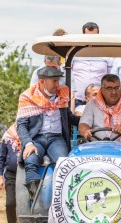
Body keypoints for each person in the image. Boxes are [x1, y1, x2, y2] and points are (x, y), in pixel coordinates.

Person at [16, 66, 79, 198]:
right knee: (30, 160)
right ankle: (35, 199)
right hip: (36, 139)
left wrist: (86, 122)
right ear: (42, 82)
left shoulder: (62, 95)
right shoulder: (27, 97)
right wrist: (28, 144)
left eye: (58, 81)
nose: (57, 84)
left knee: (64, 163)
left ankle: (63, 197)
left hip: (56, 138)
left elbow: (69, 118)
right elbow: (21, 125)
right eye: (54, 81)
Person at [78, 74, 121, 148]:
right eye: (109, 88)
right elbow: (83, 125)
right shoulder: (92, 104)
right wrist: (86, 131)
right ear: (102, 90)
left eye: (117, 88)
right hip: (96, 149)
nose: (114, 92)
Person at [72, 22, 113, 107]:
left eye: (94, 36)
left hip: (99, 100)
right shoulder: (74, 53)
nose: (91, 39)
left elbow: (110, 78)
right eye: (88, 36)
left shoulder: (106, 53)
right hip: (78, 100)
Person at [0, 123, 21, 223]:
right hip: (11, 174)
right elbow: (1, 158)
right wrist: (0, 178)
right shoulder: (7, 137)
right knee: (10, 203)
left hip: (27, 173)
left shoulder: (30, 134)